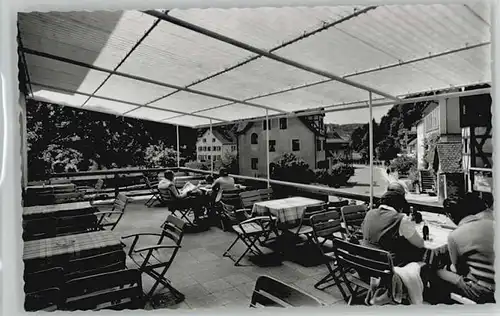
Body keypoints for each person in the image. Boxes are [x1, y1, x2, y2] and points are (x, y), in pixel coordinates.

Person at [431, 193, 495, 304]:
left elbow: (461, 270)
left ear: (450, 215)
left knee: (436, 272)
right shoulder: (492, 223)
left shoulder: (454, 236)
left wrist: (449, 267)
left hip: (485, 291)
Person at [361, 190, 425, 265]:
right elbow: (420, 243)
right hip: (387, 264)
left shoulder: (369, 213)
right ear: (400, 207)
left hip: (367, 260)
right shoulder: (400, 218)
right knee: (422, 252)